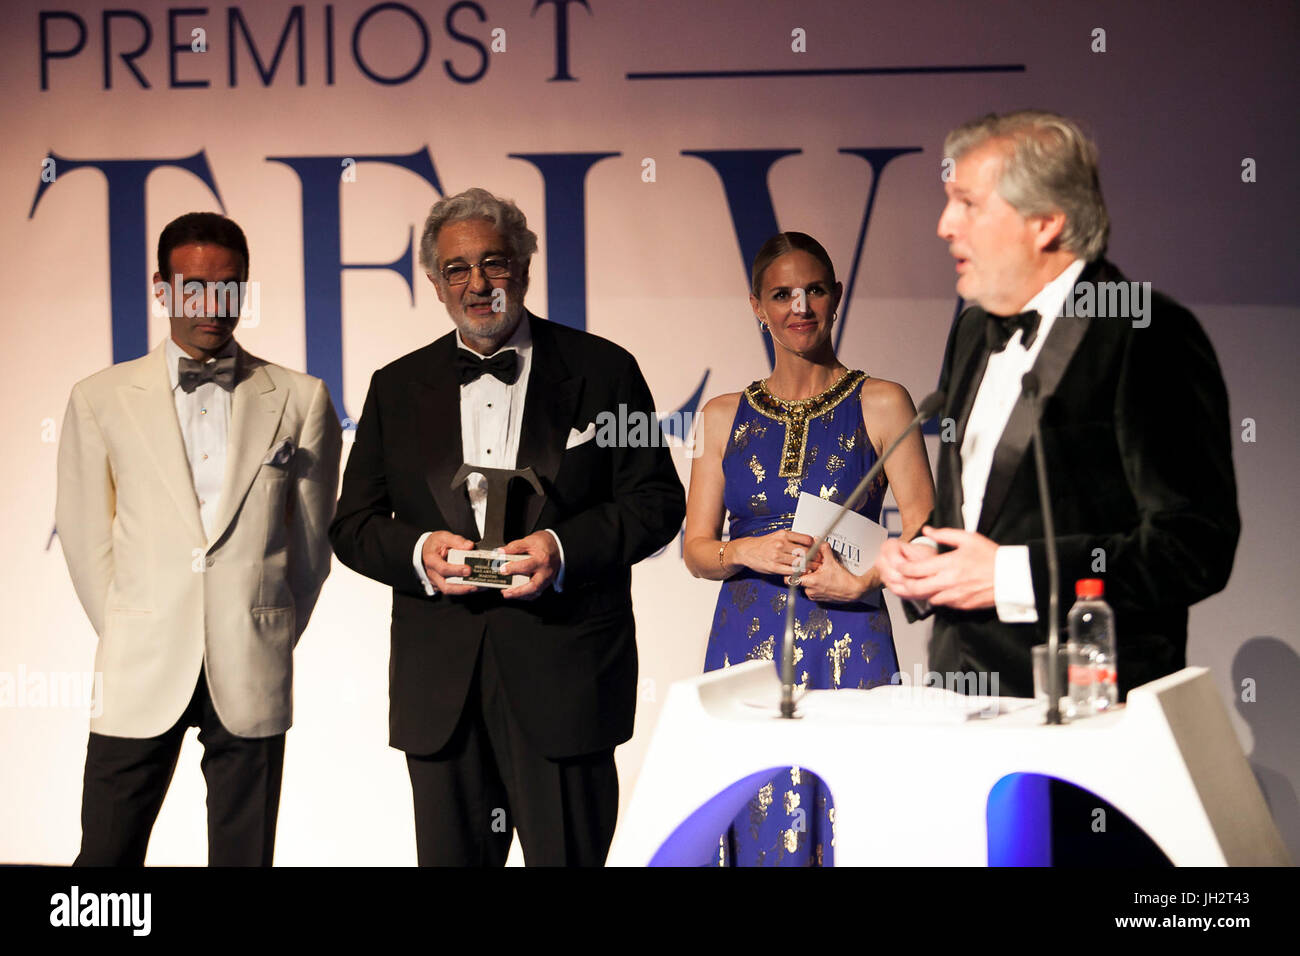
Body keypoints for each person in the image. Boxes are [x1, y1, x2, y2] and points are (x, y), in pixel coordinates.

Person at [875, 110, 1240, 864]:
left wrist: (1009, 574)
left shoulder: (1147, 332)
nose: (945, 225)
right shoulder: (975, 329)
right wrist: (922, 560)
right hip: (959, 712)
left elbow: (1191, 548)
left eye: (968, 203)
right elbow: (981, 509)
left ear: (1046, 222)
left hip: (1088, 738)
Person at [329, 187, 685, 867]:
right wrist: (419, 552)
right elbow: (353, 525)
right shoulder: (396, 387)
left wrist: (562, 549)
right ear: (435, 284)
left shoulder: (605, 371)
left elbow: (657, 503)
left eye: (494, 263)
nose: (478, 283)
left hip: (567, 680)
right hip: (442, 696)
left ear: (524, 267)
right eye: (457, 269)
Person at [56, 212, 341, 865]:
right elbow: (85, 539)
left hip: (251, 664)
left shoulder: (300, 399)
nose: (213, 305)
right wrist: (137, 624)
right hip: (140, 666)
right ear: (162, 288)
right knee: (104, 863)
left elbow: (310, 549)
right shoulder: (99, 398)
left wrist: (257, 623)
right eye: (194, 288)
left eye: (229, 287)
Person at [683, 231, 935, 865]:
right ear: (756, 305)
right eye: (782, 294)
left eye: (814, 290)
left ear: (837, 296)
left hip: (850, 633)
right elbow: (695, 549)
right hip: (747, 648)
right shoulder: (720, 415)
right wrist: (745, 550)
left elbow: (928, 530)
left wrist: (866, 578)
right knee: (757, 813)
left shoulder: (882, 400)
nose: (800, 306)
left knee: (852, 820)